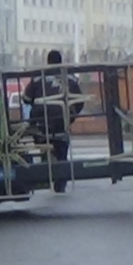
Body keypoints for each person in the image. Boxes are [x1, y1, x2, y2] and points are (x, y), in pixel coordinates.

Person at [22, 50, 84, 192]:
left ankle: (46, 167)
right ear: (61, 61)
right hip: (62, 121)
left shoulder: (39, 76)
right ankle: (60, 182)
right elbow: (79, 101)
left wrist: (37, 104)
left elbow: (26, 98)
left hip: (41, 120)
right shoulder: (70, 77)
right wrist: (71, 116)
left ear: (48, 61)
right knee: (62, 152)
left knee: (44, 143)